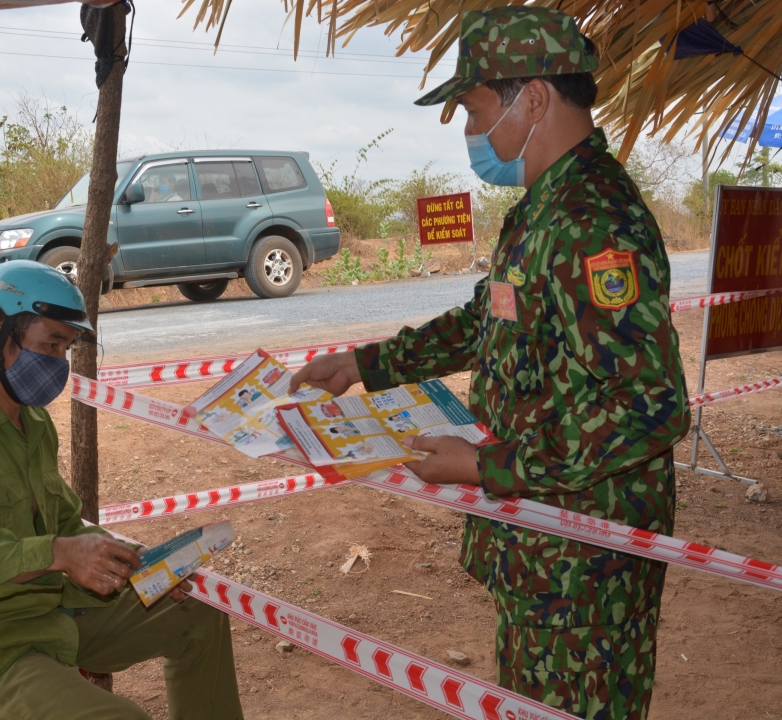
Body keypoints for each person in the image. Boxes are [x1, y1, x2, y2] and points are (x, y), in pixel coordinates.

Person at [289, 7, 690, 719]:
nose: (472, 134)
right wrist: (367, 363)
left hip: (583, 560)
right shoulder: (544, 206)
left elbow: (649, 408)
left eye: (474, 111)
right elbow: (489, 318)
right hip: (541, 545)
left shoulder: (594, 220)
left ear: (533, 98)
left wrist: (485, 467)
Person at [0, 260, 243, 720]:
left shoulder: (33, 422)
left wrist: (142, 565)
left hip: (57, 613)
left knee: (198, 615)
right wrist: (57, 554)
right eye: (49, 344)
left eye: (66, 349)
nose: (58, 363)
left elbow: (67, 524)